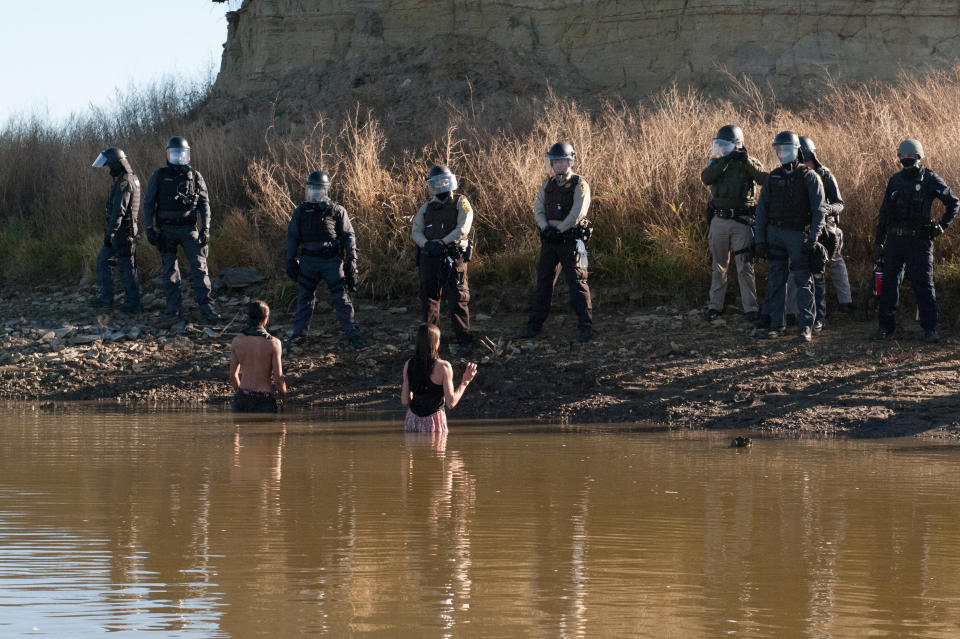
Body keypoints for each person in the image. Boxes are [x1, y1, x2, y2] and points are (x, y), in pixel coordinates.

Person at [873, 139, 959, 342]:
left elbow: (953, 202)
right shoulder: (895, 180)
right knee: (889, 286)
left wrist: (941, 226)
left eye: (911, 156)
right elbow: (884, 213)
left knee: (924, 285)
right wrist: (879, 242)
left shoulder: (930, 179)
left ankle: (930, 330)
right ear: (899, 157)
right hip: (895, 241)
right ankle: (886, 328)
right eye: (904, 156)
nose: (907, 159)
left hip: (919, 242)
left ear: (919, 157)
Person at [754, 130, 827, 342]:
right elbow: (761, 210)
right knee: (776, 280)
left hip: (798, 235)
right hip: (775, 234)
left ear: (795, 151)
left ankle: (806, 327)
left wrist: (813, 238)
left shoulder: (809, 176)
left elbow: (819, 210)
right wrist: (759, 240)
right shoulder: (773, 177)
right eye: (778, 149)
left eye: (785, 149)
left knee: (804, 280)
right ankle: (777, 325)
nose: (781, 153)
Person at [520, 142, 594, 342]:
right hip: (550, 241)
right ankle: (534, 326)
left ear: (569, 161)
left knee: (577, 282)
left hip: (569, 241)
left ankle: (585, 327)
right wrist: (545, 228)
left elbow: (578, 213)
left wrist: (559, 230)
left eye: (561, 161)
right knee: (543, 282)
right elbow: (538, 208)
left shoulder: (580, 184)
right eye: (555, 162)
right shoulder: (547, 184)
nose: (558, 165)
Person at [144, 136, 220, 323]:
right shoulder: (160, 175)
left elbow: (205, 204)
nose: (178, 158)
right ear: (168, 155)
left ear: (188, 155)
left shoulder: (195, 176)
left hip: (189, 228)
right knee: (169, 271)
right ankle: (173, 311)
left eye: (181, 154)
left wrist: (206, 227)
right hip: (166, 230)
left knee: (200, 268)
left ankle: (207, 309)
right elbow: (148, 203)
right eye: (174, 154)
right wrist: (149, 227)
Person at [286, 170, 364, 349]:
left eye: (318, 189)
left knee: (341, 298)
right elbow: (292, 237)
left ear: (325, 190)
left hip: (331, 261)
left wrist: (352, 259)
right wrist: (290, 259)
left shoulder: (336, 210)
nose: (314, 192)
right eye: (311, 189)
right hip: (308, 261)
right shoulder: (301, 211)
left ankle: (353, 334)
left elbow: (348, 235)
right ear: (308, 190)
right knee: (304, 298)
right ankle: (299, 335)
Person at [784, 136, 854, 332]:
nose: (804, 162)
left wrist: (825, 209)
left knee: (835, 262)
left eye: (806, 158)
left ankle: (845, 302)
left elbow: (840, 204)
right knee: (794, 268)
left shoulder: (825, 175)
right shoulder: (792, 175)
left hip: (827, 228)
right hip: (803, 229)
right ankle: (791, 312)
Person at [700, 124, 766, 323]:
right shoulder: (717, 162)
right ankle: (715, 306)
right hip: (719, 220)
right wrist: (725, 160)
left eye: (726, 145)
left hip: (741, 221)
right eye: (720, 145)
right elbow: (706, 178)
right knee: (718, 266)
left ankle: (751, 309)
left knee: (745, 266)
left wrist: (745, 162)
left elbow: (764, 180)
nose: (722, 149)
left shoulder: (749, 162)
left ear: (737, 145)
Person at [412, 165, 474, 356]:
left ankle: (464, 341)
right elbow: (416, 230)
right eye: (436, 182)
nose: (440, 185)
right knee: (429, 301)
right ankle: (430, 344)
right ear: (431, 185)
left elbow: (463, 228)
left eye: (443, 181)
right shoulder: (426, 207)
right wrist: (427, 244)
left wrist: (442, 242)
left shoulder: (461, 202)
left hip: (452, 258)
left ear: (450, 182)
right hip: (429, 258)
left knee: (458, 299)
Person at [89, 147, 142, 313]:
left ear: (114, 164)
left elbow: (119, 210)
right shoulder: (127, 179)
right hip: (123, 231)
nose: (106, 169)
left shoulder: (124, 182)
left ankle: (130, 304)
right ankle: (110, 300)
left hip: (122, 233)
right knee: (114, 263)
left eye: (107, 165)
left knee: (123, 266)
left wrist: (110, 233)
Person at [401, 323, 477, 432]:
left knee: (413, 448)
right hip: (434, 421)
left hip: (412, 421)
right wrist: (465, 382)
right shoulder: (444, 367)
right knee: (436, 448)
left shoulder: (408, 364)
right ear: (435, 342)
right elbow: (451, 403)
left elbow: (405, 401)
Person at [230, 300, 287, 413]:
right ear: (266, 319)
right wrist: (285, 400)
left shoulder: (237, 341)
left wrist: (241, 395)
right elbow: (278, 379)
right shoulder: (274, 343)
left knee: (240, 430)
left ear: (248, 317)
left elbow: (233, 376)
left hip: (242, 398)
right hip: (264, 400)